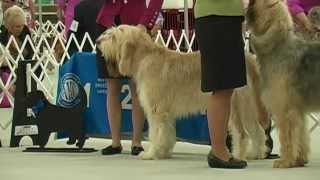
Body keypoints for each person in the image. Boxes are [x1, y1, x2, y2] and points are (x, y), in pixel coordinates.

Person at [96, 0, 164, 156]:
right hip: (108, 22)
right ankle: (115, 142)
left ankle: (137, 142)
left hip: (136, 27)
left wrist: (145, 22)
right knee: (112, 86)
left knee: (138, 87)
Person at [194, 0, 248, 168]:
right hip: (215, 18)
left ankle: (221, 148)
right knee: (220, 86)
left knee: (227, 86)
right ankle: (218, 150)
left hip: (228, 17)